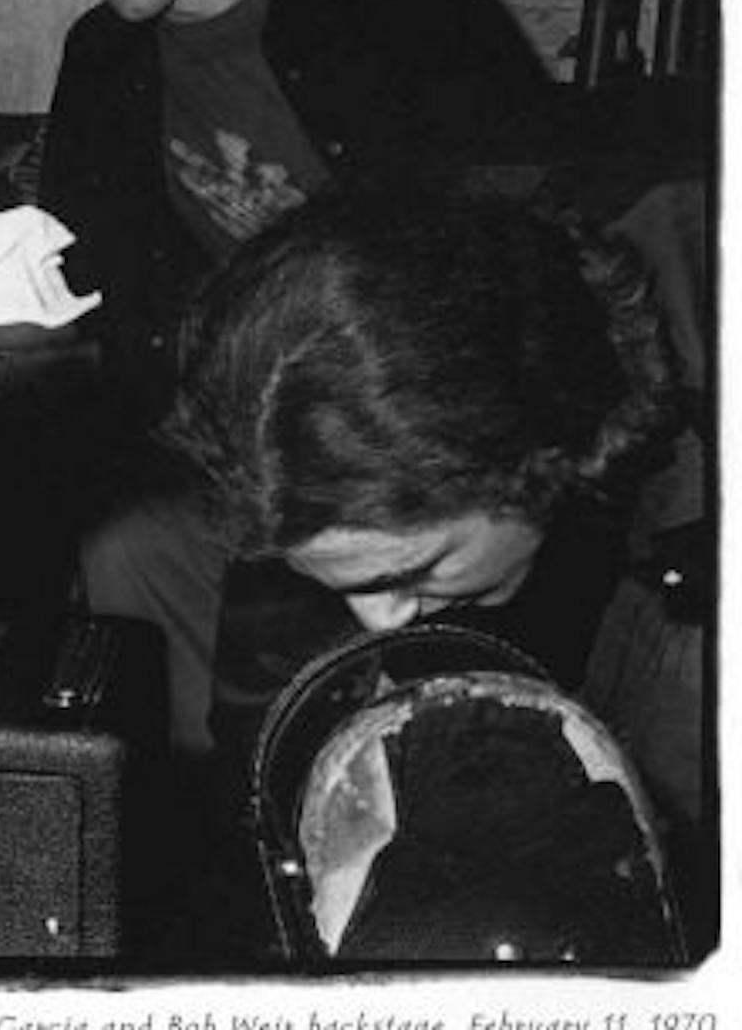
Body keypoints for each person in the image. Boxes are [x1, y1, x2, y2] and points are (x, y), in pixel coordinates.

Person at [0, 0, 576, 750]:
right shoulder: (102, 58)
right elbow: (115, 297)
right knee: (119, 546)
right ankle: (198, 839)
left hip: (432, 416)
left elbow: (521, 214)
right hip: (243, 435)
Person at [145, 191, 681, 958]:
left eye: (416, 569)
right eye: (337, 583)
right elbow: (262, 749)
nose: (380, 622)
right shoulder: (311, 450)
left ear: (543, 458)